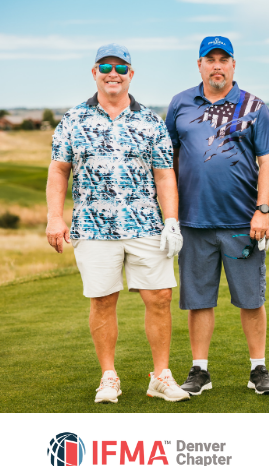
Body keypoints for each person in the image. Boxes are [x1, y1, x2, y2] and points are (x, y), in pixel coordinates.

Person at [46, 43, 189, 403]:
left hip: (145, 225)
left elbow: (164, 175)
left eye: (121, 67)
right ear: (94, 72)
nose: (114, 73)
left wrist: (171, 221)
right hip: (92, 227)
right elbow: (59, 170)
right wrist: (53, 217)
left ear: (131, 74)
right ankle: (109, 377)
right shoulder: (73, 119)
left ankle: (160, 376)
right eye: (105, 66)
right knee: (102, 300)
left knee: (159, 298)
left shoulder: (151, 121)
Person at [165, 36, 269, 396]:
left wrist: (263, 210)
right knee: (198, 299)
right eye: (209, 59)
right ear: (199, 64)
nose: (217, 65)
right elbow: (169, 160)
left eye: (223, 59)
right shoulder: (180, 103)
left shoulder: (254, 106)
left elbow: (268, 162)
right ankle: (200, 371)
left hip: (242, 222)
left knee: (251, 298)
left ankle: (258, 369)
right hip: (194, 221)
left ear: (233, 65)